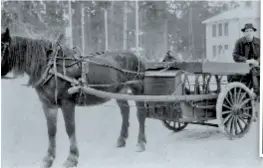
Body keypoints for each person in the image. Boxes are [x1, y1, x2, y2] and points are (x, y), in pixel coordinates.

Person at [231, 23, 260, 96]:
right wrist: (246, 61)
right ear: (244, 32)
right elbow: (235, 56)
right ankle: (255, 93)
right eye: (246, 31)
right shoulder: (239, 42)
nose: (249, 33)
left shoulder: (259, 42)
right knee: (253, 72)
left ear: (253, 32)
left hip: (258, 66)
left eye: (250, 30)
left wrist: (258, 62)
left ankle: (257, 93)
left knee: (256, 72)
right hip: (244, 67)